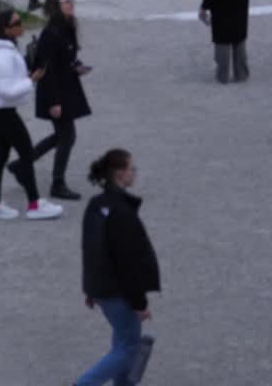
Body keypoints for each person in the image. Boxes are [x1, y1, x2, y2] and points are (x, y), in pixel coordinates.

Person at [75, 148, 160, 386]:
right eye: (132, 168)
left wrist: (90, 288)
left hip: (99, 287)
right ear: (120, 174)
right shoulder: (123, 213)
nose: (134, 172)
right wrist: (140, 303)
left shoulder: (96, 204)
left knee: (123, 340)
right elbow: (128, 264)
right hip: (118, 292)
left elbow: (90, 249)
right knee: (129, 346)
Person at [0, 11, 65, 221]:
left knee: (0, 157)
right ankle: (34, 204)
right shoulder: (2, 56)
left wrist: (26, 73)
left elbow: (5, 82)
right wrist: (32, 80)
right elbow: (6, 90)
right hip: (4, 114)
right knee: (26, 154)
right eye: (16, 23)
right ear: (5, 30)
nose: (21, 25)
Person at [26, 0, 93, 201]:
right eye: (66, 2)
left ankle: (22, 164)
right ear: (57, 6)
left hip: (66, 87)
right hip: (56, 92)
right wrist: (54, 102)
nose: (71, 4)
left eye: (72, 1)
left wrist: (77, 66)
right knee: (67, 136)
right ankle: (57, 183)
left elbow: (65, 58)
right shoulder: (52, 33)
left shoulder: (67, 27)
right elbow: (47, 71)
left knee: (62, 136)